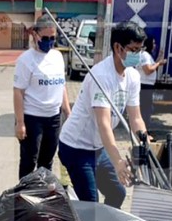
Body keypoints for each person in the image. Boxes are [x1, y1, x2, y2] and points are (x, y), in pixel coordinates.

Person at [58, 21, 148, 209]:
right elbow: (104, 124)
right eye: (133, 50)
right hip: (76, 147)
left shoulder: (132, 77)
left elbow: (136, 118)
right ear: (118, 47)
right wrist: (118, 162)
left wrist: (145, 142)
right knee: (91, 204)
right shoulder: (101, 76)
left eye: (141, 49)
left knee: (117, 193)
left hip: (98, 147)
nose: (138, 55)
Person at [14, 14, 71, 179]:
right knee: (29, 161)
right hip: (32, 118)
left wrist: (68, 112)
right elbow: (18, 92)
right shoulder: (26, 60)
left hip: (53, 118)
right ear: (35, 35)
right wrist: (20, 122)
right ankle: (23, 196)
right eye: (45, 37)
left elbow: (61, 86)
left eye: (52, 38)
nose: (49, 41)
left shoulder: (58, 57)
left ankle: (43, 196)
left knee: (47, 161)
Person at [136, 37, 166, 131]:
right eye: (153, 43)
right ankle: (143, 131)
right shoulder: (144, 55)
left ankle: (144, 130)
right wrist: (159, 63)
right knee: (146, 110)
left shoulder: (148, 56)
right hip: (144, 86)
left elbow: (151, 66)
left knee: (147, 109)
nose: (155, 45)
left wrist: (159, 59)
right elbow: (148, 70)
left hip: (147, 86)